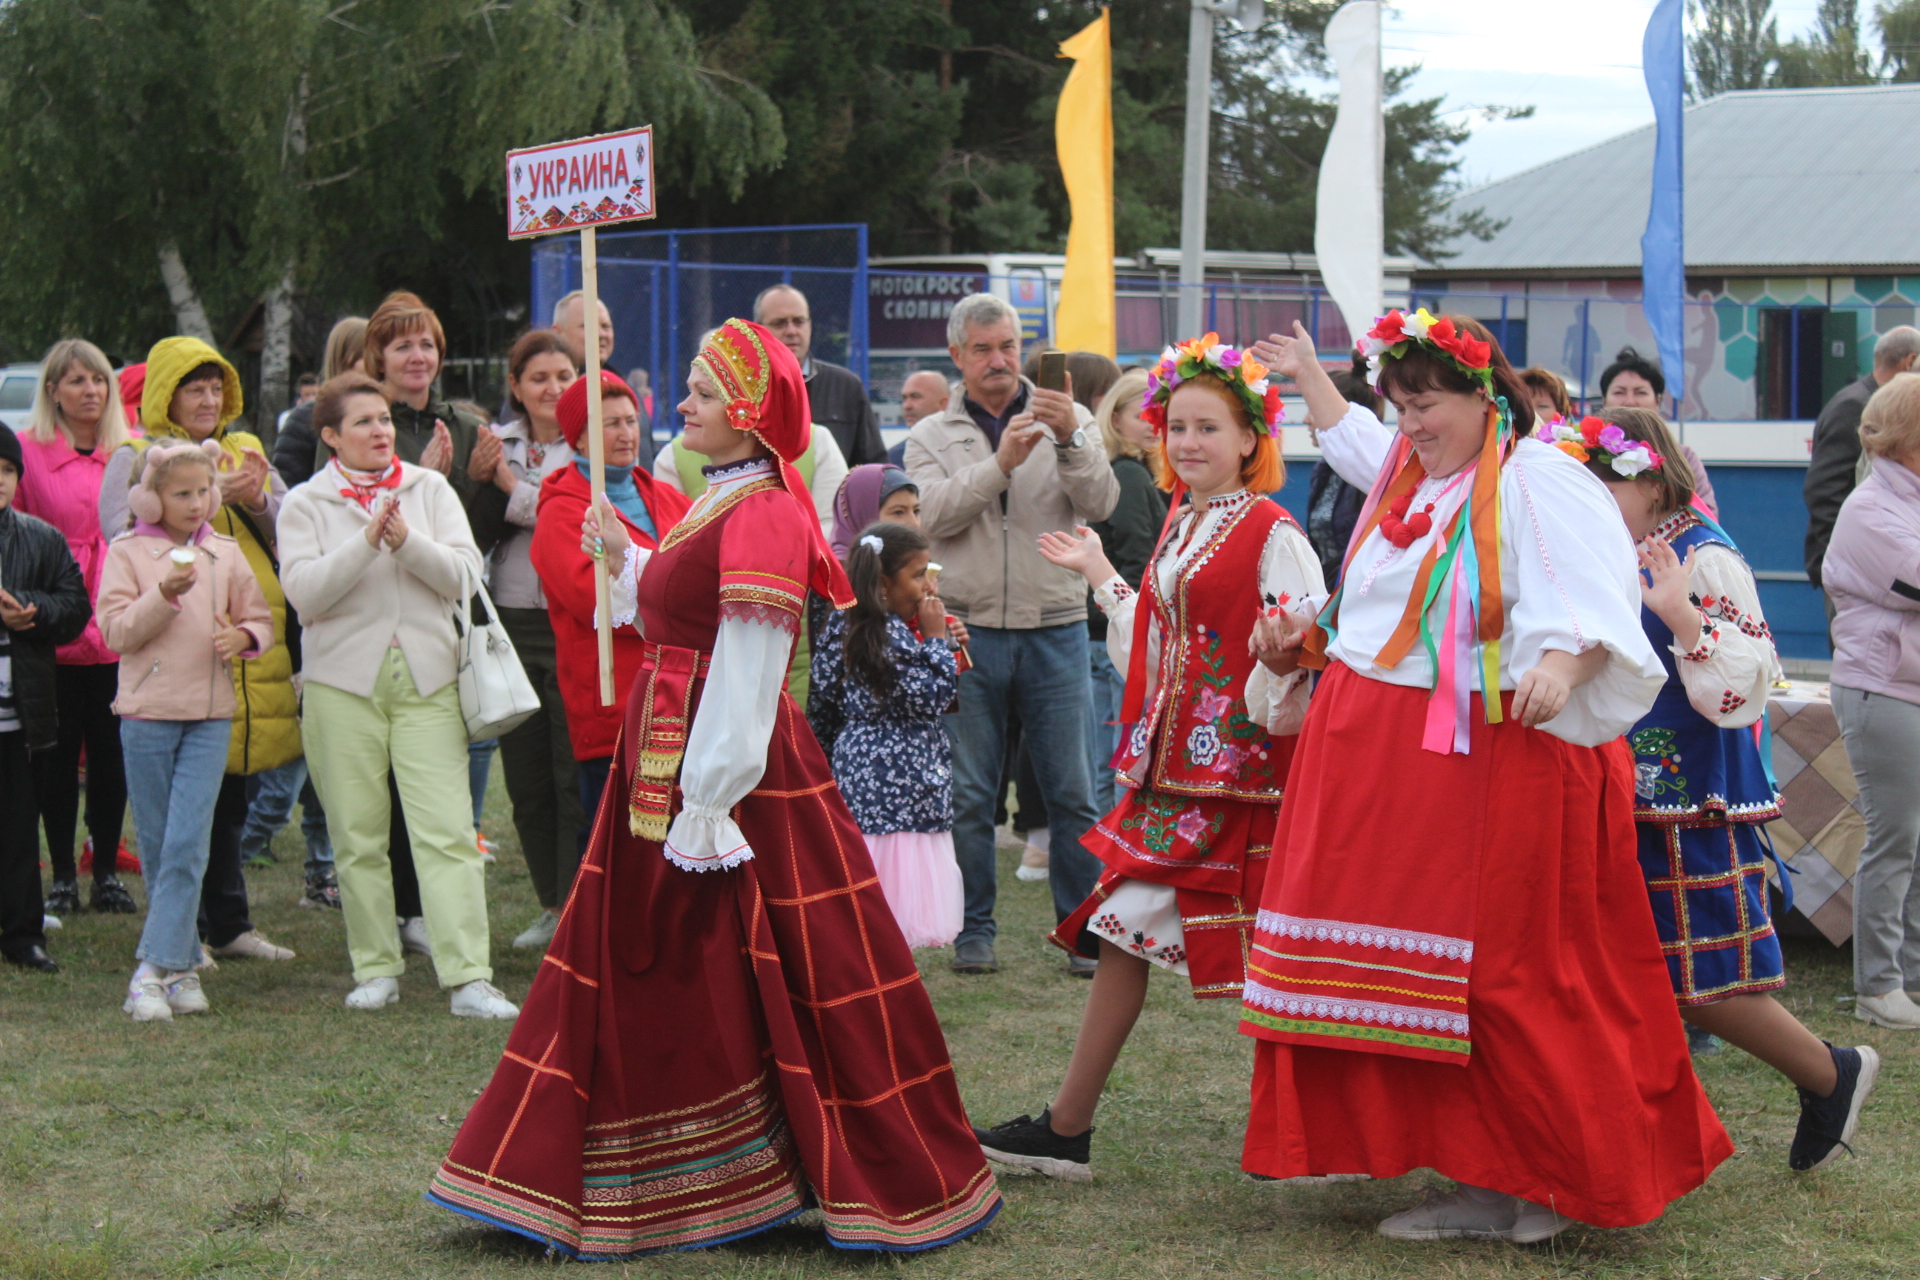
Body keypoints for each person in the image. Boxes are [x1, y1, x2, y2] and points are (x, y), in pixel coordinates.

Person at [430, 318, 1001, 1257]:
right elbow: (681, 606)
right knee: (681, 952)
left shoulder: (768, 509)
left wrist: (709, 801)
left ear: (743, 411)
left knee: (738, 948)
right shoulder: (720, 495)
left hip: (724, 767)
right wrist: (630, 559)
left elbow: (750, 657)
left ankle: (748, 1159)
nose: (678, 404)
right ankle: (688, 1156)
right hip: (671, 741)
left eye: (697, 391)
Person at [1235, 314, 1728, 1243]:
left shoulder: (1542, 482)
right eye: (1402, 407)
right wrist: (1305, 635)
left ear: (1484, 397)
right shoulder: (1417, 477)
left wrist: (1561, 667)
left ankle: (1543, 1173)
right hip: (1391, 761)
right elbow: (1369, 500)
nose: (1411, 425)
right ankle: (1473, 1170)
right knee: (1414, 976)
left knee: (1502, 968)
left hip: (1492, 755)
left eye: (1427, 406)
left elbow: (1593, 601)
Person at [974, 335, 1322, 1181]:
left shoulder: (1275, 531)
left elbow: (1309, 653)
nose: (1190, 442)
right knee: (1125, 930)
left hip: (1247, 783)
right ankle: (1068, 1128)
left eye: (1210, 427)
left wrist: (1283, 660)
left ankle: (1320, 1135)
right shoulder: (1186, 520)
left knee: (1287, 959)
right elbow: (1166, 646)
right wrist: (1102, 572)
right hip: (1177, 775)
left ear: (1252, 439)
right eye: (1178, 427)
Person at [1569, 406, 1878, 1169]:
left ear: (1652, 476)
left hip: (1690, 798)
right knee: (1623, 966)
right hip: (1620, 788)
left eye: (1608, 481)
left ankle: (1830, 1073)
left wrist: (1683, 619)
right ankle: (1632, 1128)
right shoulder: (1620, 547)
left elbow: (1747, 684)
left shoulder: (1703, 554)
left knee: (1704, 976)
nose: (1595, 498)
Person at [279, 374, 516, 1020]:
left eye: (384, 419)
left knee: (446, 833)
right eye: (363, 422)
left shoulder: (429, 489)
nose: (381, 431)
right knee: (356, 834)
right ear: (329, 436)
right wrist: (365, 543)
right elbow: (305, 595)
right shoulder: (305, 503)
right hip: (339, 686)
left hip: (429, 680)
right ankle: (376, 966)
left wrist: (407, 543)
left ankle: (469, 977)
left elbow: (466, 575)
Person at [905, 291, 1119, 976]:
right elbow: (929, 517)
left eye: (1008, 347)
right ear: (956, 357)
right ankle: (975, 931)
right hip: (967, 631)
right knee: (969, 793)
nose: (999, 362)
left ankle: (1081, 932)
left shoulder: (1070, 415)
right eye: (983, 350)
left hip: (1054, 626)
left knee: (1073, 790)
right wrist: (999, 462)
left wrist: (1068, 438)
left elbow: (1103, 503)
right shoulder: (930, 435)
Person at [105, 338, 300, 964]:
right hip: (167, 652)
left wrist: (257, 498)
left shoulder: (247, 450)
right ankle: (182, 935)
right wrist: (193, 496)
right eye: (195, 389)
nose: (209, 400)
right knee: (185, 810)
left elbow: (291, 529)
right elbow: (122, 534)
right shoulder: (136, 456)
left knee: (234, 788)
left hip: (239, 643)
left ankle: (229, 922)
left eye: (218, 389)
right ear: (166, 393)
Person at [97, 440, 275, 1021]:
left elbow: (260, 619)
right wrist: (163, 597)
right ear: (151, 499)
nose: (197, 504)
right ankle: (178, 969)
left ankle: (151, 973)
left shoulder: (224, 551)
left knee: (186, 843)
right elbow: (116, 633)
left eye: (204, 491)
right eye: (182, 494)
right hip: (146, 714)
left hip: (209, 715)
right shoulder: (126, 552)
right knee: (159, 845)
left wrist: (243, 640)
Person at [529, 370, 688, 848]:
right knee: (617, 843)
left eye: (631, 420)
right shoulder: (561, 513)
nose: (626, 433)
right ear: (577, 436)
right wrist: (676, 597)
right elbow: (593, 602)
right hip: (613, 704)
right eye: (610, 424)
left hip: (680, 697)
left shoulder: (668, 497)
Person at [465, 330, 586, 950]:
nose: (553, 388)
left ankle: (576, 902)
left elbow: (573, 515)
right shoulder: (494, 446)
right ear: (515, 387)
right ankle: (547, 902)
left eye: (564, 375)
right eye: (539, 378)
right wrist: (484, 483)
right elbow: (467, 528)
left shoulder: (589, 444)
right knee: (528, 778)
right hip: (511, 621)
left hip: (572, 621)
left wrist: (513, 491)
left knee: (572, 771)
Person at [15, 339, 136, 917]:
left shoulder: (129, 450)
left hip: (119, 618)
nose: (92, 391)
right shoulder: (27, 453)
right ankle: (62, 871)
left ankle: (106, 868)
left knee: (113, 753)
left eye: (100, 380)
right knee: (56, 754)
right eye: (78, 381)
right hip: (53, 614)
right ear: (53, 391)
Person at [808, 522, 964, 947]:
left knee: (866, 905)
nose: (928, 585)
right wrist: (936, 642)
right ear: (882, 583)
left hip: (860, 773)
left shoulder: (845, 625)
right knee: (888, 906)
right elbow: (931, 695)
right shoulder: (886, 633)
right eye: (918, 575)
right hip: (897, 785)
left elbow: (824, 693)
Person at [1824, 371, 1920, 1032]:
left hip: (1903, 685)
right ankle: (1879, 984)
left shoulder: (1904, 498)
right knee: (1897, 838)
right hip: (1881, 688)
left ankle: (1908, 976)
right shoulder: (1872, 508)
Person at [0, 423, 90, 973]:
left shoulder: (40, 538)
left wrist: (31, 610)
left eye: (8, 470)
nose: (0, 480)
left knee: (16, 824)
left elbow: (75, 608)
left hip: (17, 713)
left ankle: (21, 932)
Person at [1083, 368, 1167, 820]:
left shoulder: (1131, 474)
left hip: (1107, 631)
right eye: (1143, 415)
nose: (1155, 424)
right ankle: (1113, 857)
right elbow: (1136, 561)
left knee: (1105, 757)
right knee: (1122, 758)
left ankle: (1103, 856)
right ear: (1114, 420)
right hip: (1119, 635)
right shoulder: (1130, 477)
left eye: (1160, 413)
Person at [1804, 326, 1920, 596]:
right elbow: (1823, 491)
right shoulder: (1855, 406)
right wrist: (1846, 562)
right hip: (1858, 574)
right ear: (1909, 361)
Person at [755, 283, 887, 466]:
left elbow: (873, 465)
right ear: (758, 331)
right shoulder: (743, 389)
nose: (792, 331)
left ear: (809, 326)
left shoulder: (846, 387)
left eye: (799, 321)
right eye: (779, 323)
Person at [1599, 345, 1717, 517]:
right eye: (1619, 392)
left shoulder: (1683, 457)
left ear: (1658, 401)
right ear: (1604, 401)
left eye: (1640, 393)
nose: (1630, 402)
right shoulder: (1586, 454)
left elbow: (1706, 516)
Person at [1302, 369, 1378, 600]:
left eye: (1312, 409)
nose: (1306, 419)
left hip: (1354, 597)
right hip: (1325, 596)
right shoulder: (1324, 471)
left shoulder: (1372, 477)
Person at [273, 316, 366, 487]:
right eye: (366, 356)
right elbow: (287, 488)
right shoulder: (304, 419)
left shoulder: (387, 414)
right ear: (343, 359)